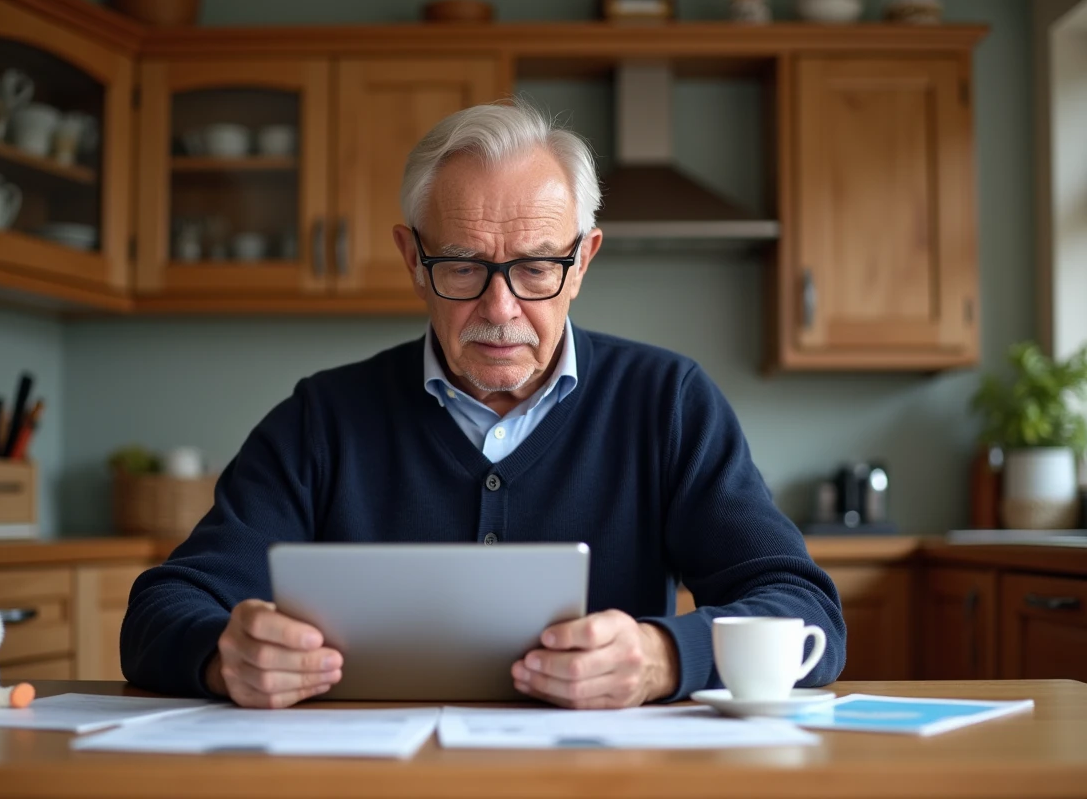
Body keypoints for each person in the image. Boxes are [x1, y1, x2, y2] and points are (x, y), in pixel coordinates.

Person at [121, 100, 846, 710]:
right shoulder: (323, 419)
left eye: (535, 267)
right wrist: (221, 655)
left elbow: (806, 610)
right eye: (463, 266)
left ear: (583, 261)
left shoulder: (667, 402)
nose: (499, 308)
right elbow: (163, 607)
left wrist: (664, 656)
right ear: (413, 259)